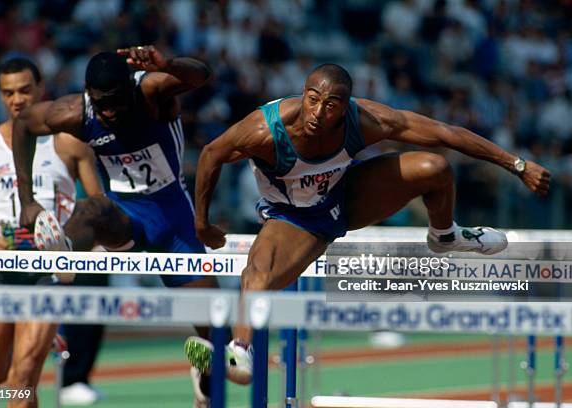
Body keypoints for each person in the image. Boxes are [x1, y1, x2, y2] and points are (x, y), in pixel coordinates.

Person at [185, 63, 551, 384]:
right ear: (303, 93)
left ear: (345, 107)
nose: (318, 112)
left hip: (348, 195)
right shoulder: (266, 130)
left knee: (435, 167)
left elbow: (444, 132)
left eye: (331, 106)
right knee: (259, 272)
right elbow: (211, 154)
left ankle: (445, 235)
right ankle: (241, 351)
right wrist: (201, 221)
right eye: (313, 99)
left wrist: (517, 165)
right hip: (295, 218)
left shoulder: (366, 120)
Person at [12, 46, 216, 407]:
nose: (107, 109)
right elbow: (24, 124)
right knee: (91, 208)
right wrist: (28, 200)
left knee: (216, 335)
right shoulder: (76, 112)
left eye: (116, 101)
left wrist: (166, 64)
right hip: (125, 218)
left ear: (129, 88)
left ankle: (202, 370)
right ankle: (66, 259)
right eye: (100, 102)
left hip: (172, 220)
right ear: (89, 94)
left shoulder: (151, 92)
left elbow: (201, 74)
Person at [0, 57, 102, 407]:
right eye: (9, 93)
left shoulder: (68, 143)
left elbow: (98, 204)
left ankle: (38, 341)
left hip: (48, 269)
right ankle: (36, 342)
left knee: (22, 379)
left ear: (40, 89)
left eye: (25, 90)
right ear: (0, 95)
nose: (17, 99)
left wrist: (78, 246)